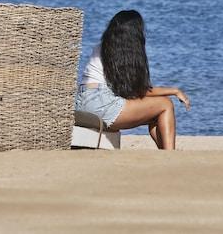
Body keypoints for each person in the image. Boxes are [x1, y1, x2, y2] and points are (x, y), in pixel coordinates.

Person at [76, 9, 191, 150]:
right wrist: (173, 91)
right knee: (165, 104)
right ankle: (170, 155)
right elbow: (136, 91)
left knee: (156, 114)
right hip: (101, 104)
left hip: (82, 104)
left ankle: (165, 153)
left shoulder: (102, 47)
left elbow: (129, 91)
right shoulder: (121, 54)